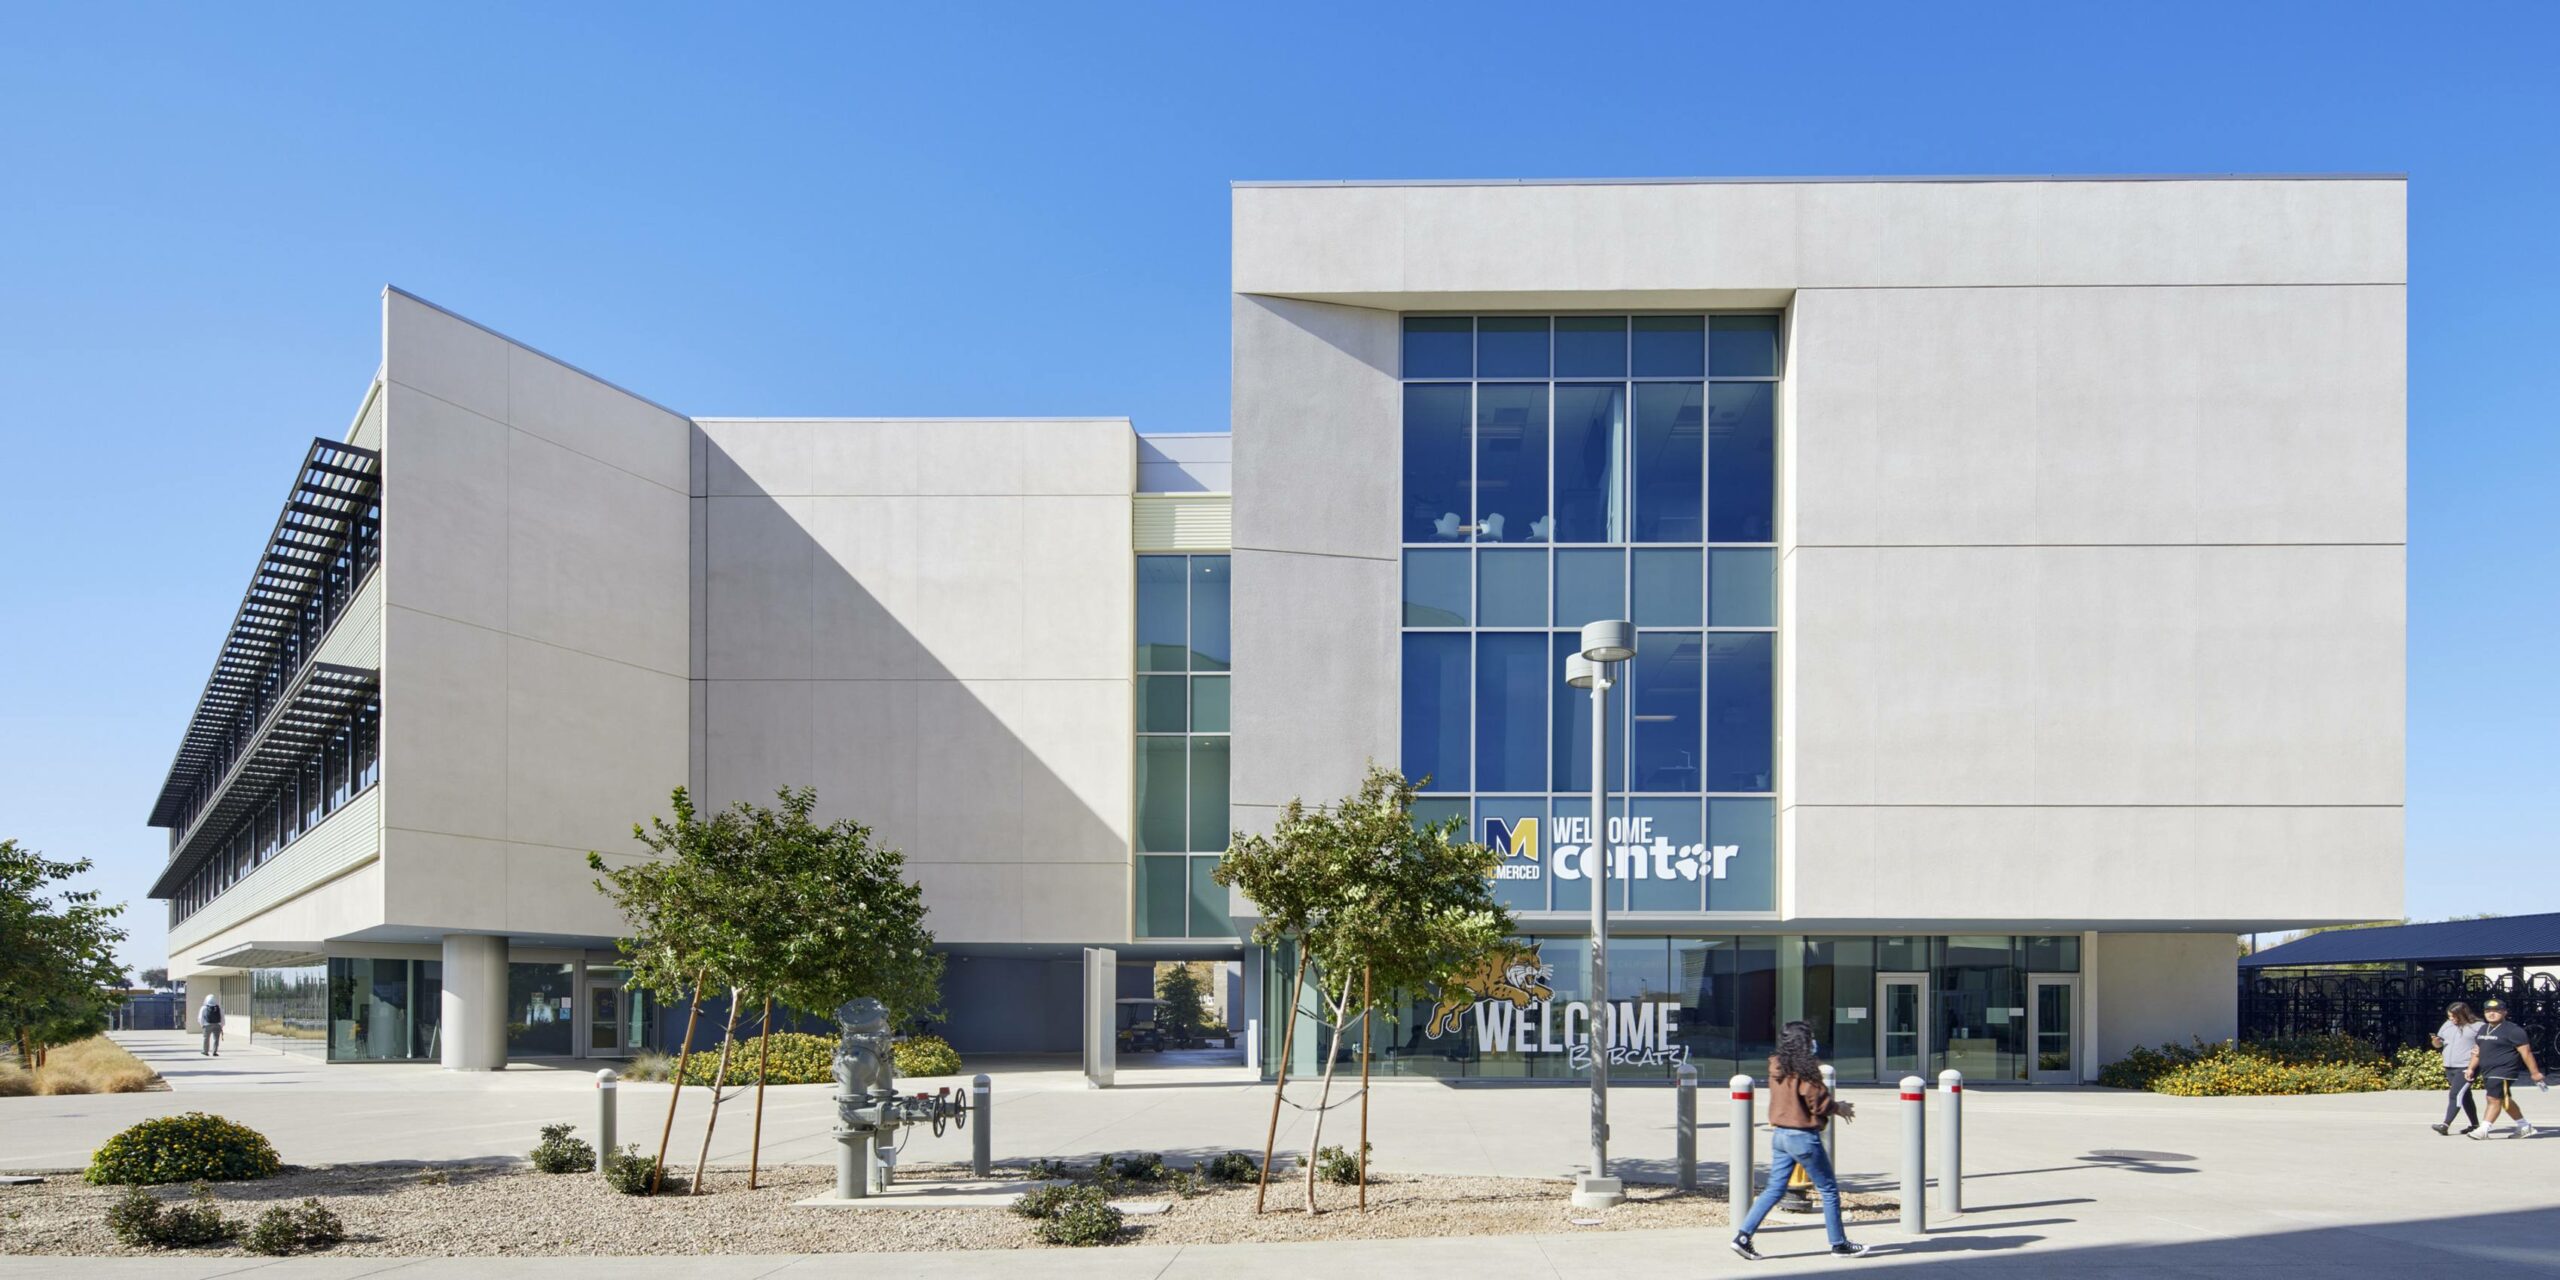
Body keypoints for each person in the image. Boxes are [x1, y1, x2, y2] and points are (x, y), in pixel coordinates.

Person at [1732, 1021, 1867, 1261]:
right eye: (1811, 1038)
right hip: (1803, 1137)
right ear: (1804, 1043)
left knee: (1774, 1189)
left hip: (1781, 1135)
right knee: (1828, 1189)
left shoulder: (1777, 1066)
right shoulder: (1805, 1070)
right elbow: (1818, 1103)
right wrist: (1841, 1107)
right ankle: (1839, 1244)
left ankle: (1743, 1236)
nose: (1814, 1043)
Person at [2466, 998, 2544, 1139]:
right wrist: (2471, 1068)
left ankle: (2483, 1129)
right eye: (2488, 1011)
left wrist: (2535, 1073)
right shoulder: (2484, 1028)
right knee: (2504, 1099)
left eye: (2496, 1011)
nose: (2492, 1014)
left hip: (2504, 1070)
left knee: (2493, 1099)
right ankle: (2524, 1126)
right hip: (2488, 1070)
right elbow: (2477, 1051)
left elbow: (2526, 1052)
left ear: (2504, 1012)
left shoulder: (2513, 1030)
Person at [2432, 1002, 2484, 1135]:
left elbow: (2484, 1046)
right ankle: (2475, 1124)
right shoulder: (2448, 1025)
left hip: (2467, 1065)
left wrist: (2473, 1065)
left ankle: (2445, 1125)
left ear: (2463, 1014)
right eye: (2449, 1016)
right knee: (2465, 1095)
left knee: (2455, 1094)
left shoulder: (2478, 1026)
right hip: (2449, 1065)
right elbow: (2439, 1044)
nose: (2451, 1019)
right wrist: (2436, 1042)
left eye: (2454, 1017)